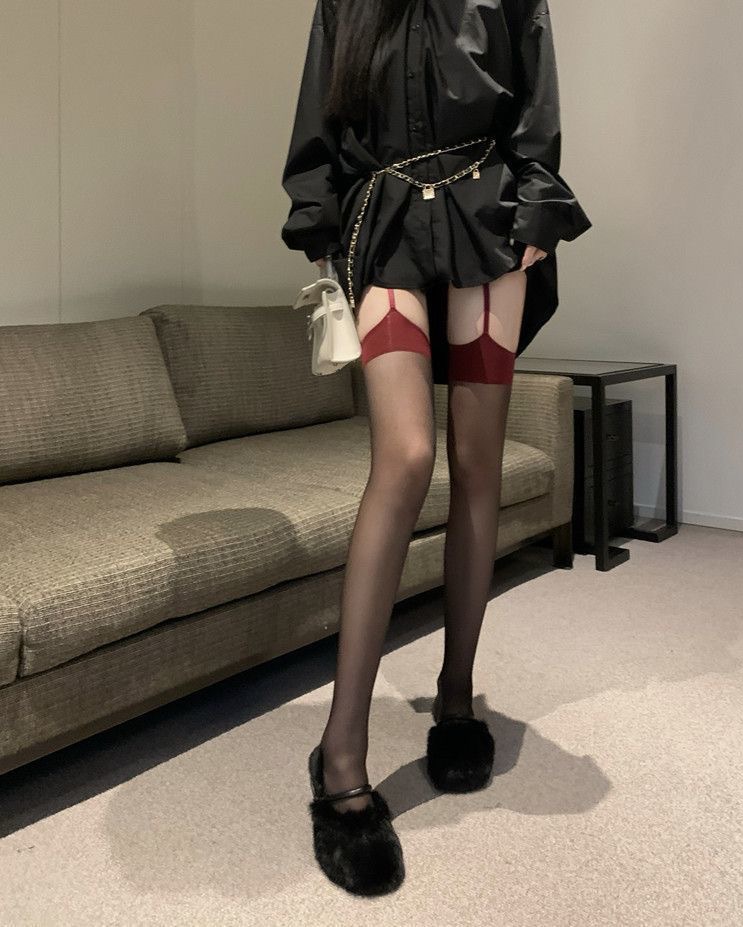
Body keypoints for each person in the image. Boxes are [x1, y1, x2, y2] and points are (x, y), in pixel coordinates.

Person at [281, 0, 591, 896]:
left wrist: (535, 213)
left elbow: (534, 104)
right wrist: (319, 226)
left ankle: (456, 699)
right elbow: (319, 121)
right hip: (382, 227)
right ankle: (341, 752)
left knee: (480, 464)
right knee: (408, 456)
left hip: (489, 221)